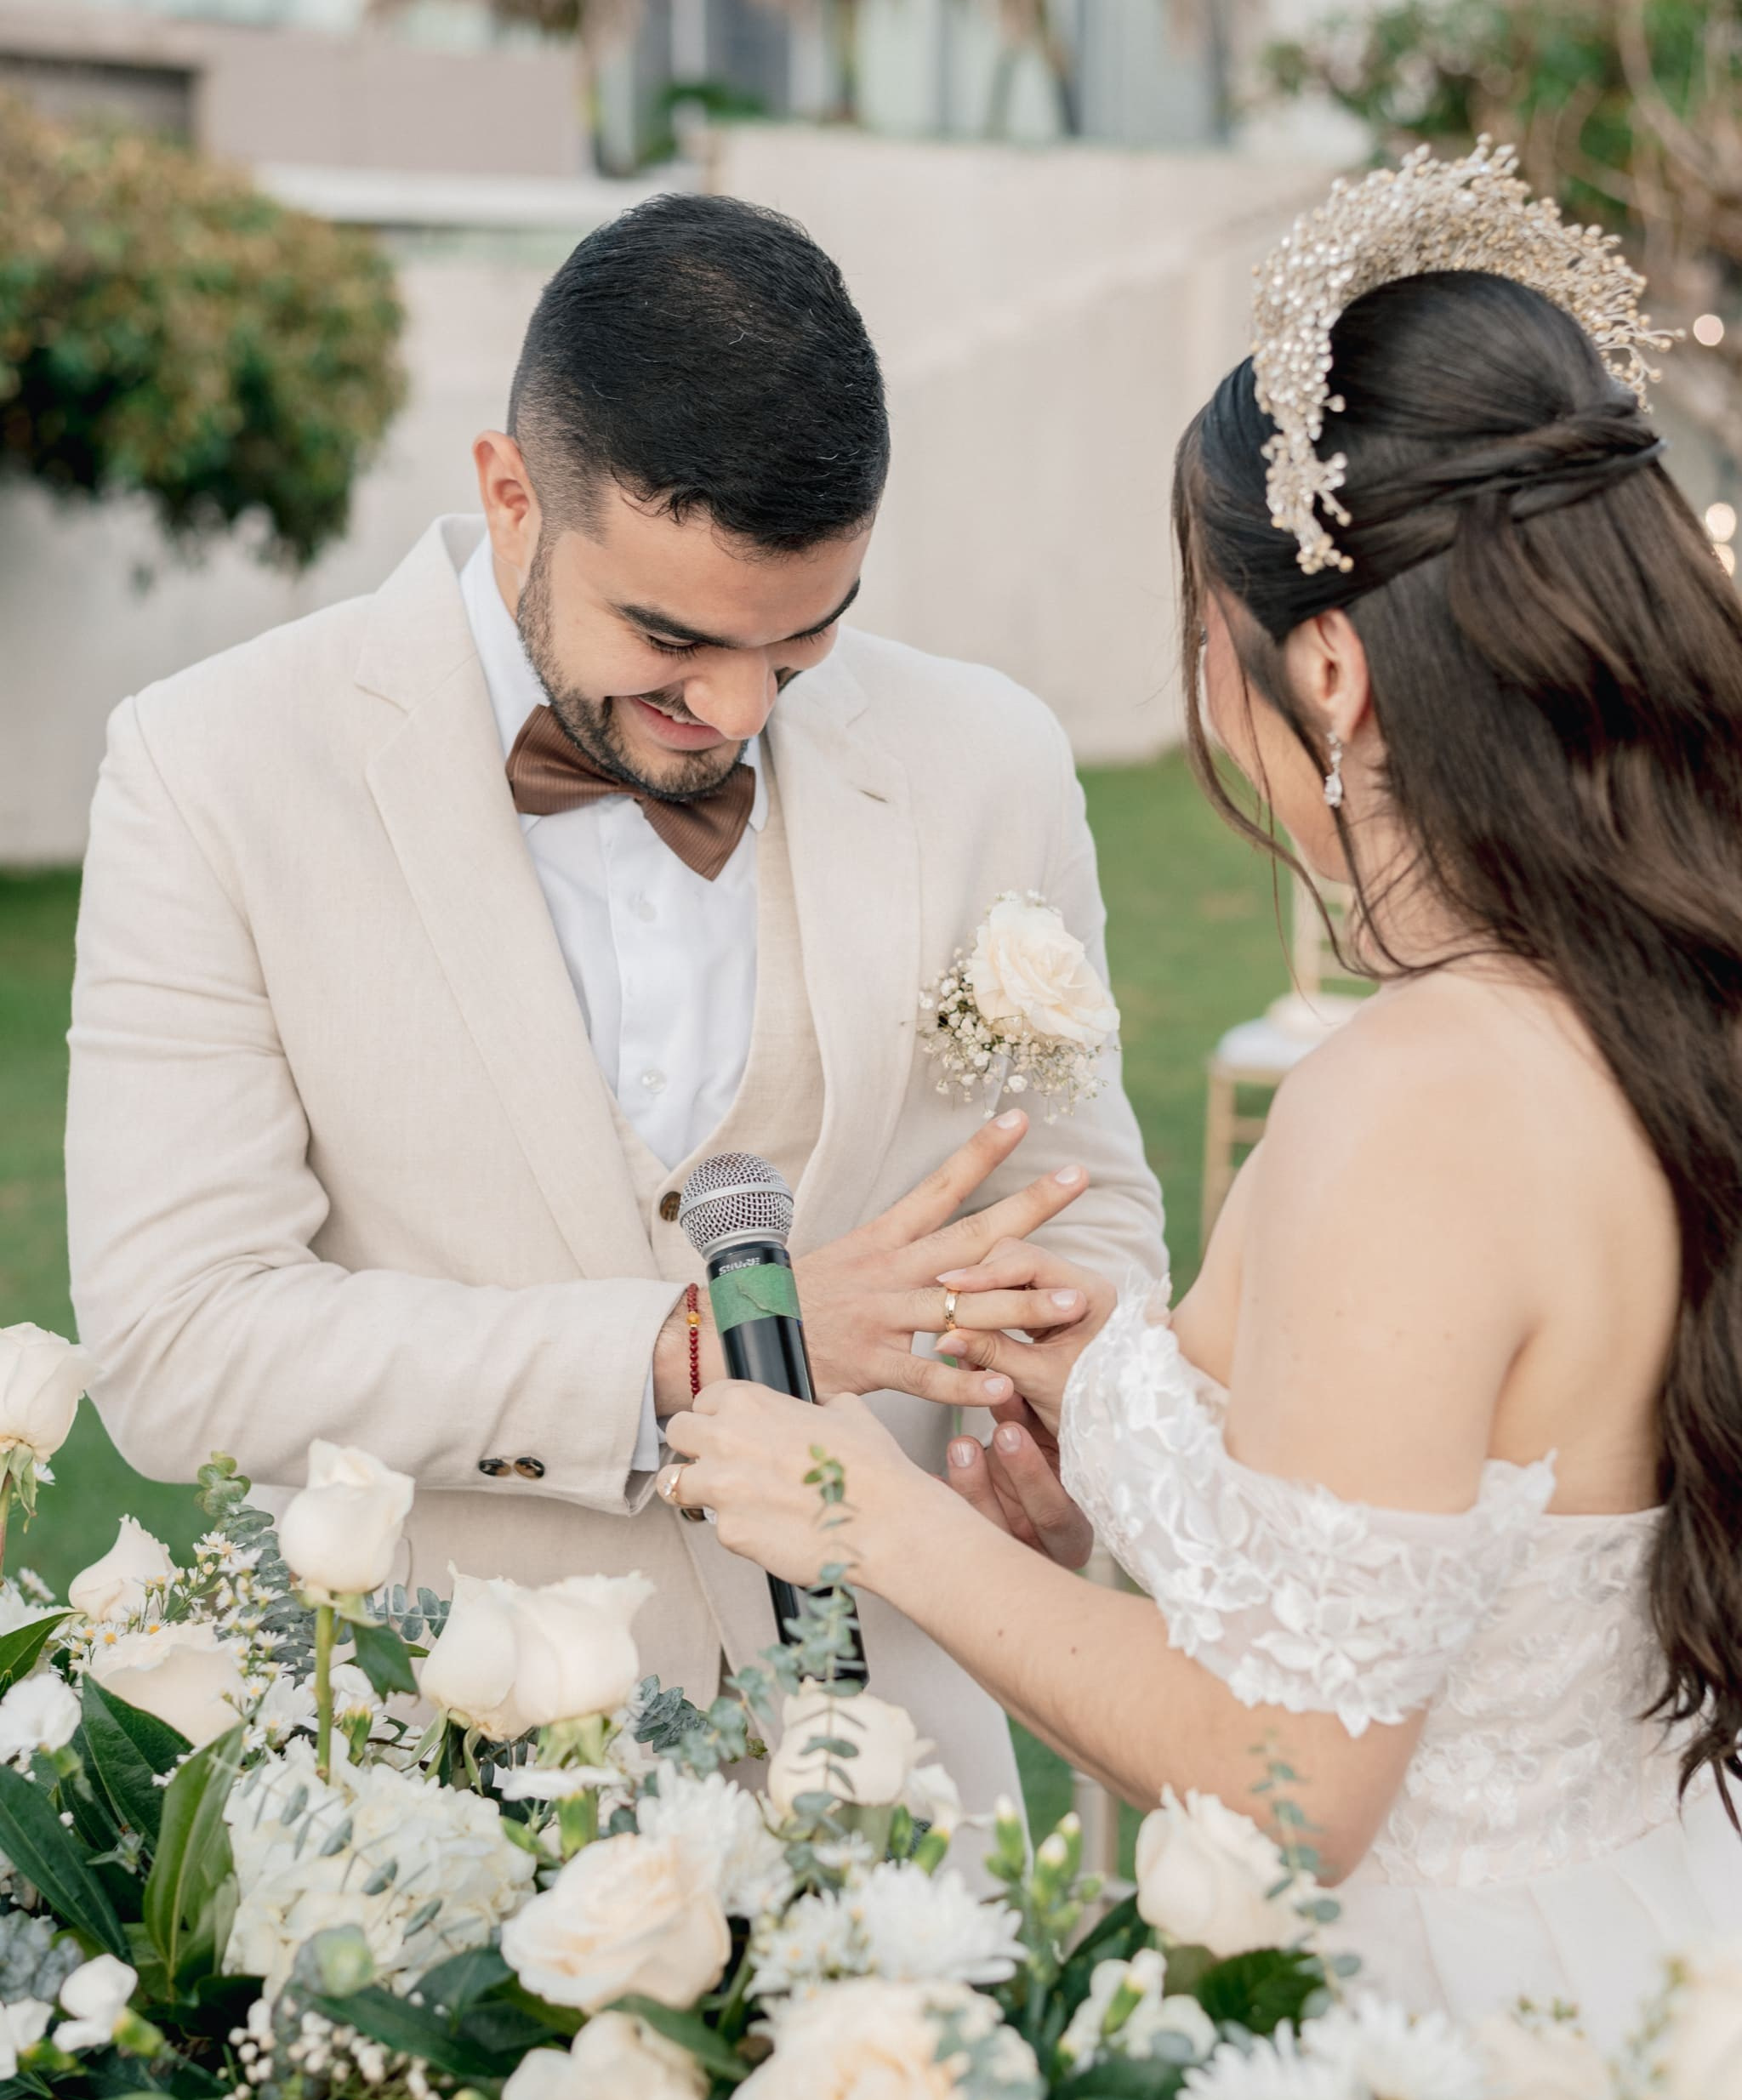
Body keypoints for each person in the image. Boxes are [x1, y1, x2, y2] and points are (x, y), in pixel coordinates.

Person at [659, 146, 1740, 2041]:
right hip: (1637, 1944)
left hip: (1445, 2029)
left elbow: (1291, 1792)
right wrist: (1130, 1422)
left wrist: (868, 1518)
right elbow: (1467, 1555)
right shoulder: (1652, 1008)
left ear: (1326, 667)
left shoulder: (1413, 1101)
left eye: (1208, 644)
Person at [65, 191, 1164, 1819]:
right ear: (512, 495)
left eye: (800, 644)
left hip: (913, 1778)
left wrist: (1066, 1427)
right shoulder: (212, 770)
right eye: (670, 638)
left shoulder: (984, 758)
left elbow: (1090, 1213)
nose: (731, 710)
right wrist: (689, 1348)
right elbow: (179, 1345)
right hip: (448, 1811)